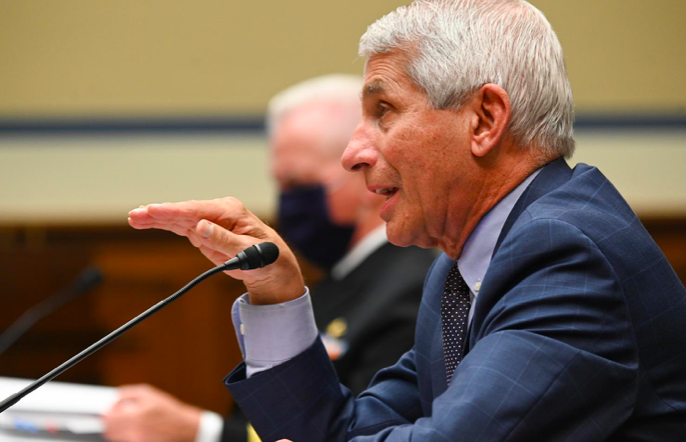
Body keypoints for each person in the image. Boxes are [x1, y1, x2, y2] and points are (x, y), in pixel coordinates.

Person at [127, 0, 686, 440]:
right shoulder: (459, 272)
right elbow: (336, 431)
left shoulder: (565, 256)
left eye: (383, 111)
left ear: (484, 120)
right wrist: (277, 293)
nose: (352, 154)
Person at [102, 75, 436, 442]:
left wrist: (201, 433)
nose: (288, 203)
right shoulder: (338, 276)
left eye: (300, 184)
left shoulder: (416, 286)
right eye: (281, 186)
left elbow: (359, 428)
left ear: (366, 172)